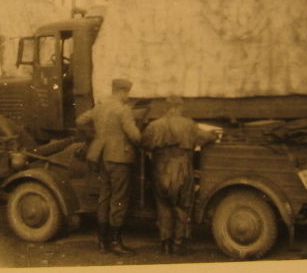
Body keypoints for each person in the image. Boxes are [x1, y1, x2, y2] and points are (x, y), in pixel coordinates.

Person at [141, 95, 218, 255]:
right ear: (177, 107)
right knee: (182, 206)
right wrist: (213, 135)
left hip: (160, 168)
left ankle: (165, 244)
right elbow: (203, 138)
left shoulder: (154, 125)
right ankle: (178, 243)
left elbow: (144, 143)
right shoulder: (188, 124)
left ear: (166, 108)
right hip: (182, 167)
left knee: (163, 206)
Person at [75, 78, 141, 256]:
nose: (128, 96)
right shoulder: (123, 110)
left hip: (102, 157)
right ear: (122, 92)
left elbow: (80, 120)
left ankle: (102, 240)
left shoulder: (100, 107)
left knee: (105, 196)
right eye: (127, 93)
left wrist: (96, 137)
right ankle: (115, 242)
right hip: (120, 158)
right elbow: (135, 136)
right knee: (119, 198)